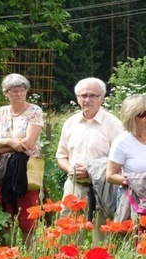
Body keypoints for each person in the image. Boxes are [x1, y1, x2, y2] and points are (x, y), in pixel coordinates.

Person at [56, 77, 123, 242]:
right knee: (69, 236)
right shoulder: (70, 123)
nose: (87, 100)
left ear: (102, 98)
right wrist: (69, 168)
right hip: (74, 185)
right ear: (78, 98)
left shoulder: (113, 124)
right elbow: (61, 155)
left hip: (103, 188)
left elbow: (120, 159)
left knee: (102, 238)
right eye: (83, 95)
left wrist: (92, 170)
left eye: (93, 95)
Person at [0, 74, 44, 245]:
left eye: (22, 90)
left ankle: (29, 257)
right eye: (14, 91)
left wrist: (0, 149)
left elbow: (29, 143)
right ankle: (6, 256)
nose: (18, 94)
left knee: (28, 215)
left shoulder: (35, 111)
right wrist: (9, 142)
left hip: (26, 170)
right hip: (2, 170)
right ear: (6, 93)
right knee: (3, 213)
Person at [106, 94, 146, 222]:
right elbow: (110, 176)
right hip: (135, 201)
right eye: (143, 114)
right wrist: (138, 181)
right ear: (132, 117)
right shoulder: (122, 142)